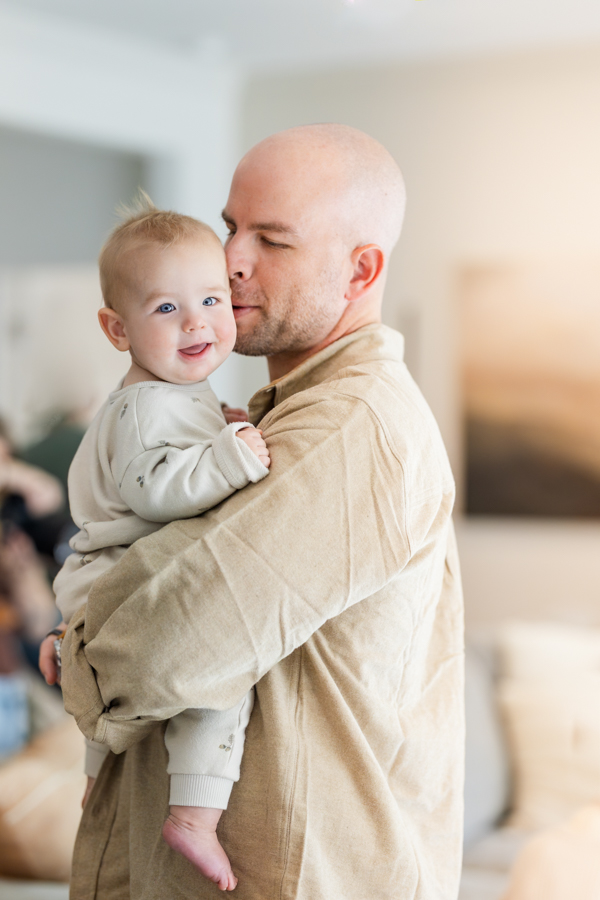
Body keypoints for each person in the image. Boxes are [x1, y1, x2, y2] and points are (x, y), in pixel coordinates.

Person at [54, 124, 464, 900]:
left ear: (360, 270)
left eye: (271, 240)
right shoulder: (248, 417)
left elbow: (174, 636)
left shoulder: (349, 423)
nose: (230, 258)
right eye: (231, 226)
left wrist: (74, 642)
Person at [41, 203, 271, 891]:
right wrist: (231, 459)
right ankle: (195, 815)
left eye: (210, 298)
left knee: (131, 707)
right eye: (167, 307)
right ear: (118, 329)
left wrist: (217, 427)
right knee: (216, 674)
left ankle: (96, 788)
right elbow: (155, 489)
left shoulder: (172, 395)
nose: (197, 320)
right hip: (118, 581)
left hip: (109, 581)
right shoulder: (146, 406)